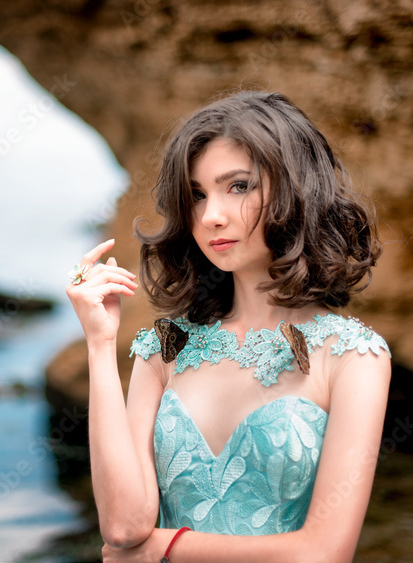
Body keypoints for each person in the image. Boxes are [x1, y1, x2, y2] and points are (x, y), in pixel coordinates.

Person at [65, 90, 392, 562]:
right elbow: (123, 525)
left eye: (238, 186)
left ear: (294, 188)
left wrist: (164, 547)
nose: (211, 216)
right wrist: (98, 344)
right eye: (196, 195)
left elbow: (321, 554)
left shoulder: (354, 356)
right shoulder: (165, 348)